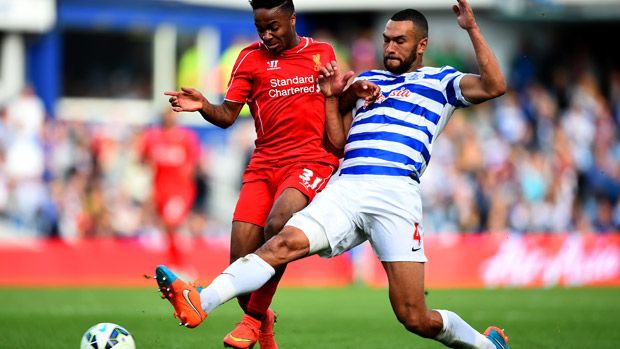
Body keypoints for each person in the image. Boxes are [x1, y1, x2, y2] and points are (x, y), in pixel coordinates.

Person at [156, 1, 510, 348]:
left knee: (413, 316)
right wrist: (331, 97)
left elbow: (494, 85)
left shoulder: (441, 81)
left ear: (421, 45)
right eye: (386, 39)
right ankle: (201, 302)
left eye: (399, 41)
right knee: (281, 240)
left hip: (396, 195)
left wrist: (472, 30)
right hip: (346, 187)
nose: (389, 47)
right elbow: (338, 141)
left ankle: (486, 345)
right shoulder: (365, 80)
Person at [163, 0, 342, 348]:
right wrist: (203, 106)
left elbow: (336, 94)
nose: (267, 34)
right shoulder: (248, 58)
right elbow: (228, 115)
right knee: (243, 269)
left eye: (273, 26)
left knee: (279, 225)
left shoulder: (322, 52)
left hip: (310, 160)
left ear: (291, 19)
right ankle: (262, 319)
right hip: (264, 164)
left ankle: (249, 321)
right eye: (260, 27)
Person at [139, 108, 200, 267]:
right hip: (160, 191)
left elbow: (194, 164)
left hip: (180, 191)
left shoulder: (186, 138)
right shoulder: (152, 137)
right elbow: (142, 159)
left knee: (171, 222)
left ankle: (184, 266)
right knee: (167, 230)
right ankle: (175, 264)